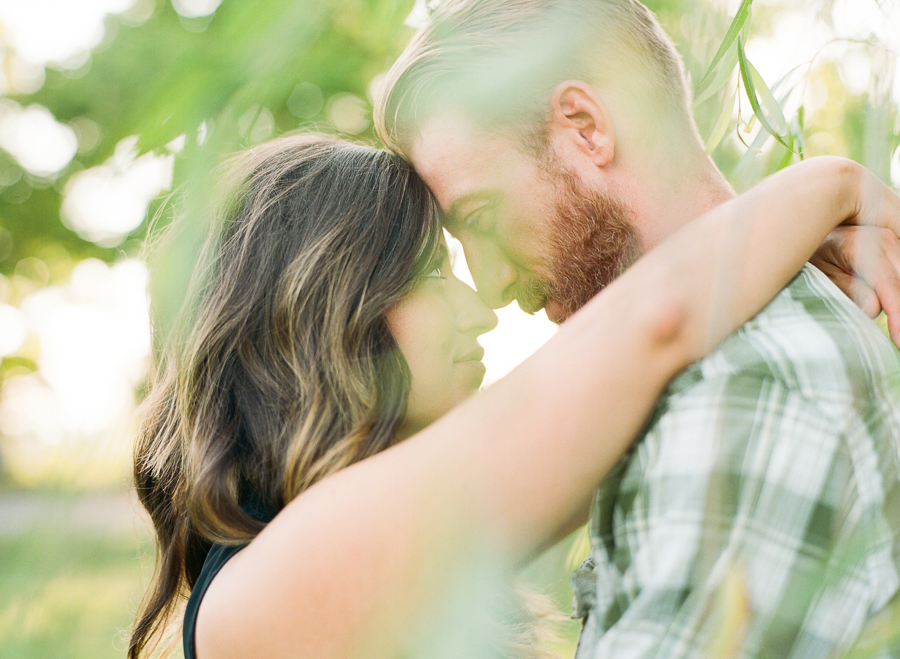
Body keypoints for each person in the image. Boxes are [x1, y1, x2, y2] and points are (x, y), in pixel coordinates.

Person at [128, 132, 900, 659]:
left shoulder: (305, 550)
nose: (479, 307)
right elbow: (652, 327)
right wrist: (828, 183)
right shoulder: (273, 583)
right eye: (429, 272)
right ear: (323, 310)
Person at [374, 0, 900, 656]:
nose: (488, 287)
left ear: (586, 127)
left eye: (481, 218)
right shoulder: (682, 377)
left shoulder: (745, 384)